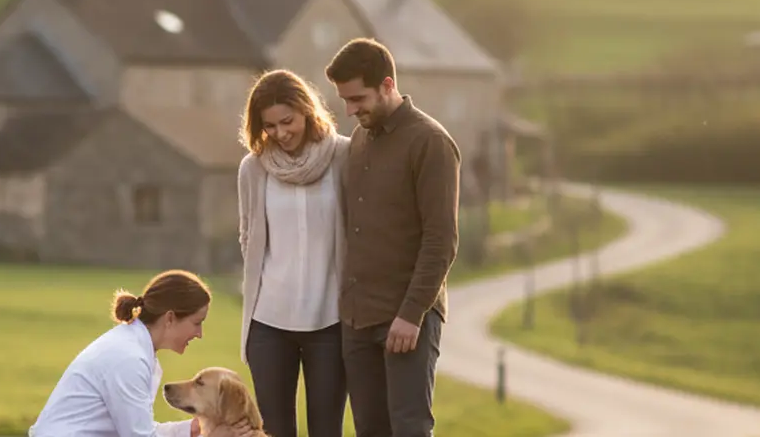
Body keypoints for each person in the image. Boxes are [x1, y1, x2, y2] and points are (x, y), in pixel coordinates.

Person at [324, 38, 460, 437]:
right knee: (370, 430)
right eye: (344, 100)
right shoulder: (361, 140)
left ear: (387, 84)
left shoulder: (430, 142)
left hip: (406, 318)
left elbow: (442, 240)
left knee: (409, 428)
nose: (350, 110)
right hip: (357, 318)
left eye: (357, 98)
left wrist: (411, 313)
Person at [235, 69, 350, 437]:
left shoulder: (344, 156)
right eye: (269, 126)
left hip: (330, 322)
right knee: (274, 431)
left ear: (307, 110)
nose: (281, 133)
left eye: (288, 121)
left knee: (326, 430)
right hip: (269, 323)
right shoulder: (252, 169)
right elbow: (248, 236)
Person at [29, 269, 212, 437]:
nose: (200, 334)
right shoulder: (129, 358)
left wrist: (194, 428)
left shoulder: (132, 346)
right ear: (170, 318)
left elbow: (139, 430)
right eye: (197, 322)